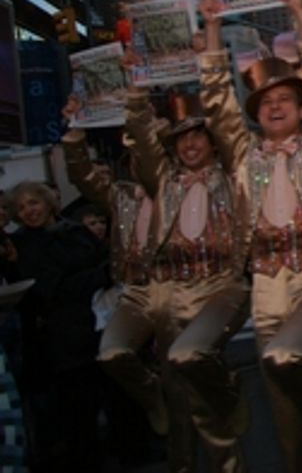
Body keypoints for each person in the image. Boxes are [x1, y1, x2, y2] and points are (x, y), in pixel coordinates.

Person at [199, 0, 302, 473]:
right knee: (280, 395)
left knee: (289, 357)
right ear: (256, 115)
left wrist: (300, 14)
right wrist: (212, 26)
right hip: (266, 282)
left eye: (286, 98)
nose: (275, 105)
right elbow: (217, 101)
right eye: (265, 102)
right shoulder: (244, 156)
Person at [67, 86, 250, 473]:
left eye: (198, 135)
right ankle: (176, 448)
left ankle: (228, 445)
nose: (190, 144)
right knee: (175, 394)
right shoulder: (142, 191)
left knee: (199, 386)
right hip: (159, 293)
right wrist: (79, 130)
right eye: (181, 139)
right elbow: (90, 175)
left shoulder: (231, 178)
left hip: (214, 288)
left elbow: (231, 136)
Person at [2, 181, 110, 472]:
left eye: (33, 202)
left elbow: (103, 260)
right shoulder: (22, 244)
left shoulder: (74, 230)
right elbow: (49, 288)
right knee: (75, 412)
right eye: (21, 208)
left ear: (47, 202)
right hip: (60, 337)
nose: (29, 211)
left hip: (97, 323)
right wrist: (98, 276)